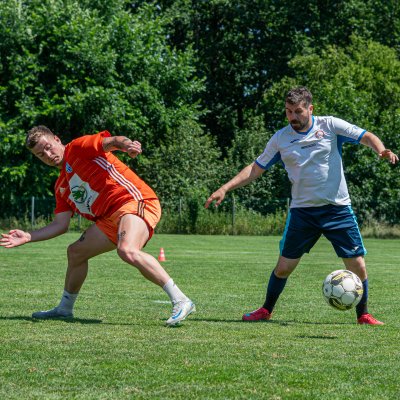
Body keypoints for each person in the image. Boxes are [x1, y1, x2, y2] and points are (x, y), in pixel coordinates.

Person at [205, 87, 398, 325]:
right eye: (288, 111)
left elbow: (366, 136)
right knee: (283, 267)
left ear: (310, 108)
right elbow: (255, 168)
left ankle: (363, 315)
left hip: (337, 210)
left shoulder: (330, 125)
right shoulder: (281, 138)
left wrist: (381, 150)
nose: (293, 117)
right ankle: (266, 310)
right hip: (303, 213)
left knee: (357, 265)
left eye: (298, 111)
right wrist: (225, 188)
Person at [0, 126, 195, 326]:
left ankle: (181, 300)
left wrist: (128, 145)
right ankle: (65, 309)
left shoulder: (77, 148)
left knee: (127, 250)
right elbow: (60, 224)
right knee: (76, 252)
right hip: (109, 218)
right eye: (41, 154)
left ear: (57, 139)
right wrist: (28, 236)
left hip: (135, 200)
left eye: (48, 147)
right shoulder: (61, 186)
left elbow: (114, 141)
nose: (48, 155)